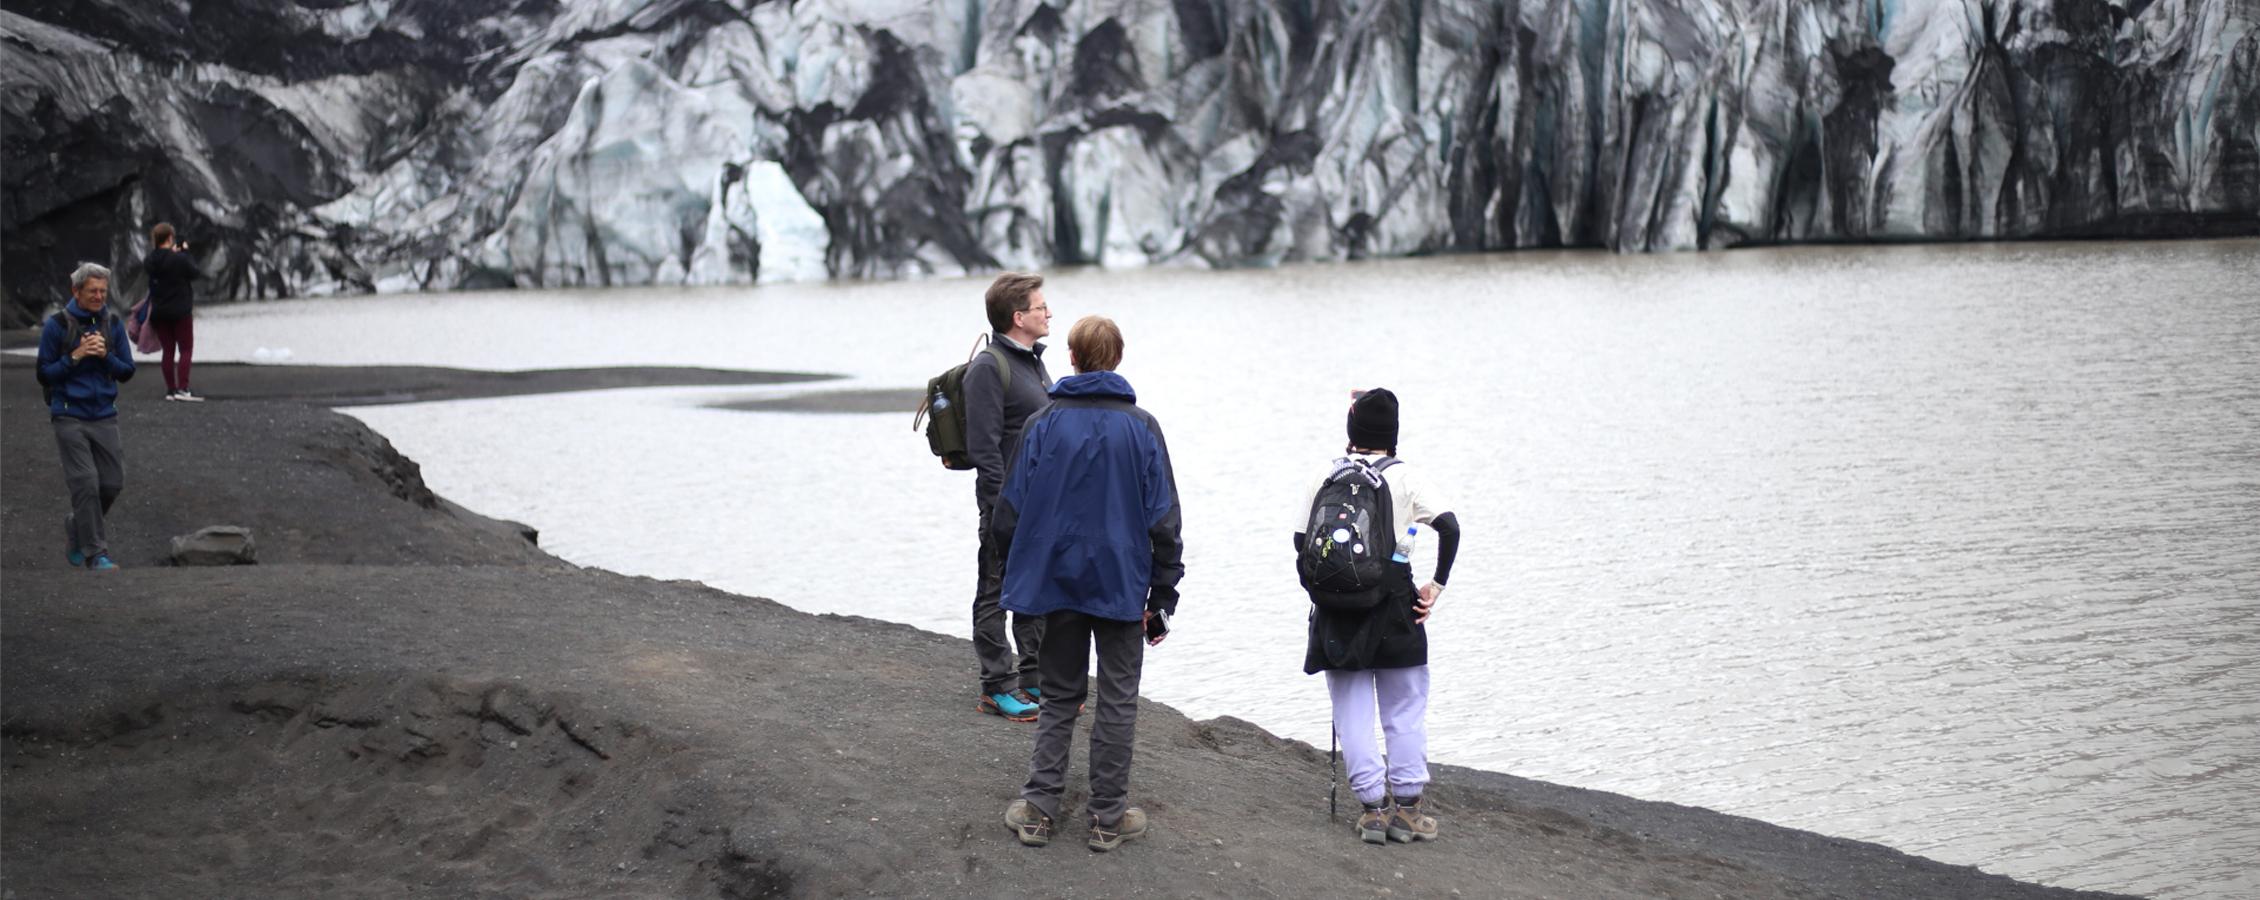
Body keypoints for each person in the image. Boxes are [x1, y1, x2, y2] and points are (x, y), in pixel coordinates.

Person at [994, 315, 1183, 851]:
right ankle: (1106, 818)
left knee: (1058, 696)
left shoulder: (1042, 424)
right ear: (1117, 359)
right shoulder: (1142, 427)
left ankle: (1038, 811)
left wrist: (1018, 573)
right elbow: (1164, 518)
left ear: (1072, 360)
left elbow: (1009, 512)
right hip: (1123, 586)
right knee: (1119, 699)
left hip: (1056, 584)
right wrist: (1164, 592)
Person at [1294, 388, 1461, 844]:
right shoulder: (1408, 479)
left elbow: (1300, 544)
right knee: (1404, 709)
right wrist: (1436, 586)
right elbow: (1450, 527)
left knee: (1352, 711)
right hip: (1395, 609)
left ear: (1352, 432)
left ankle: (1372, 810)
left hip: (1336, 613)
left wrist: (1327, 593)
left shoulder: (1325, 475)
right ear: (1393, 434)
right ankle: (1408, 810)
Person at [964, 272, 1054, 721]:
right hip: (1006, 505)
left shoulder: (1034, 362)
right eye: (1041, 307)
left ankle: (1034, 678)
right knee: (996, 590)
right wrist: (1002, 507)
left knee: (1034, 590)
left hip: (1039, 504)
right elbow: (984, 448)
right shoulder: (988, 367)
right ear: (1019, 317)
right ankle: (997, 686)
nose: (1049, 313)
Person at [36, 262, 137, 570]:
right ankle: (97, 554)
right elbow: (44, 374)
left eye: (103, 291)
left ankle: (77, 525)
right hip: (68, 415)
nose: (98, 296)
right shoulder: (57, 325)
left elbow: (127, 371)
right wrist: (76, 356)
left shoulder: (113, 323)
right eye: (92, 290)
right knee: (86, 483)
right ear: (76, 291)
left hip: (104, 414)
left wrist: (105, 355)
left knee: (111, 484)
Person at [143, 222, 203, 401]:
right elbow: (194, 272)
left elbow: (163, 264)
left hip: (160, 312)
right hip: (181, 311)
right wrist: (185, 252)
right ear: (170, 238)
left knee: (168, 351)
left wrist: (175, 254)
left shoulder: (150, 260)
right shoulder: (179, 259)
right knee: (185, 349)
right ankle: (183, 388)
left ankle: (171, 390)